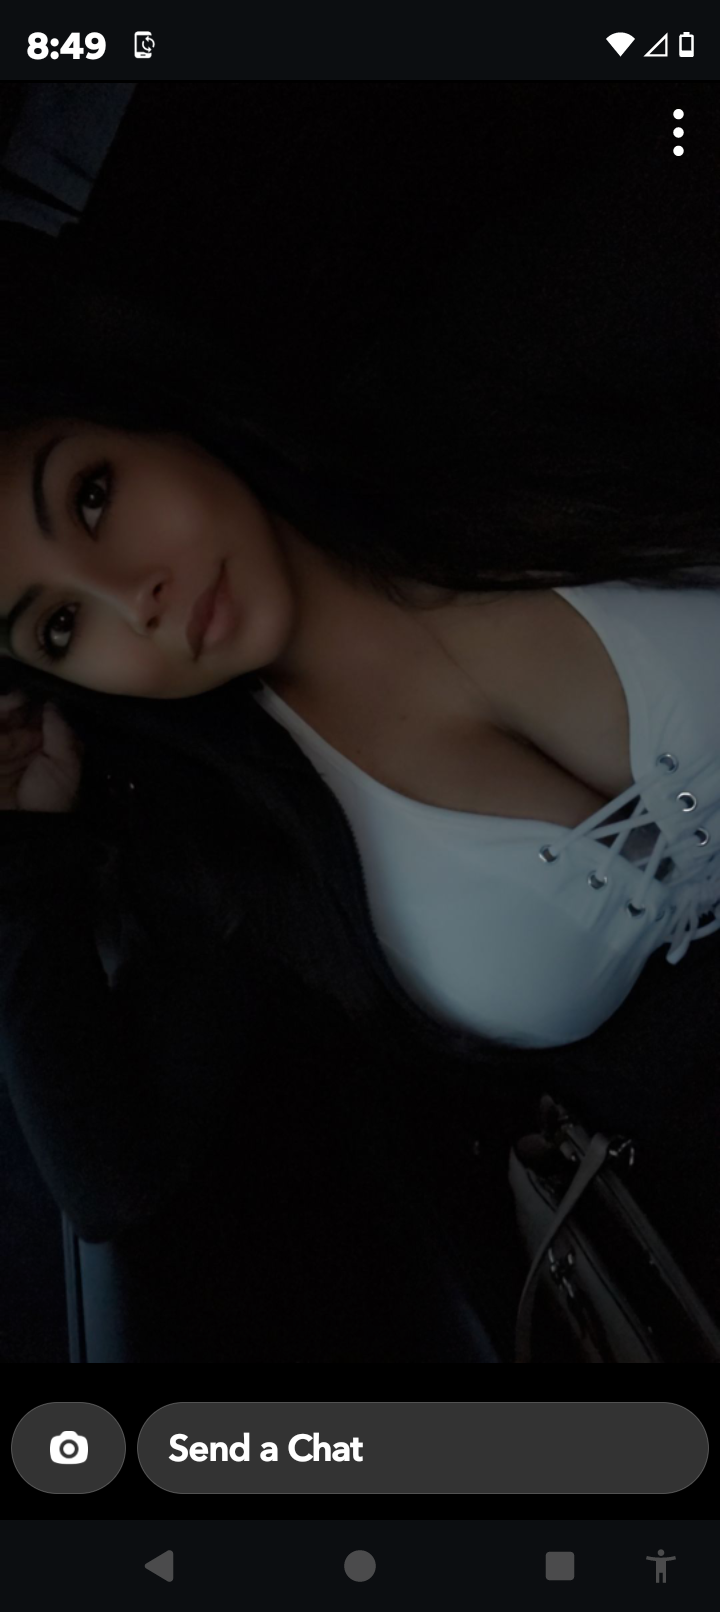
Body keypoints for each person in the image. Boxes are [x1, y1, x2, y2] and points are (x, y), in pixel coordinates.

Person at [2, 214, 720, 1363]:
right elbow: (111, 1176)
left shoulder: (491, 386)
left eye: (92, 496)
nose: (129, 598)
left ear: (150, 410)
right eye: (58, 626)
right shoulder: (245, 854)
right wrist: (26, 861)